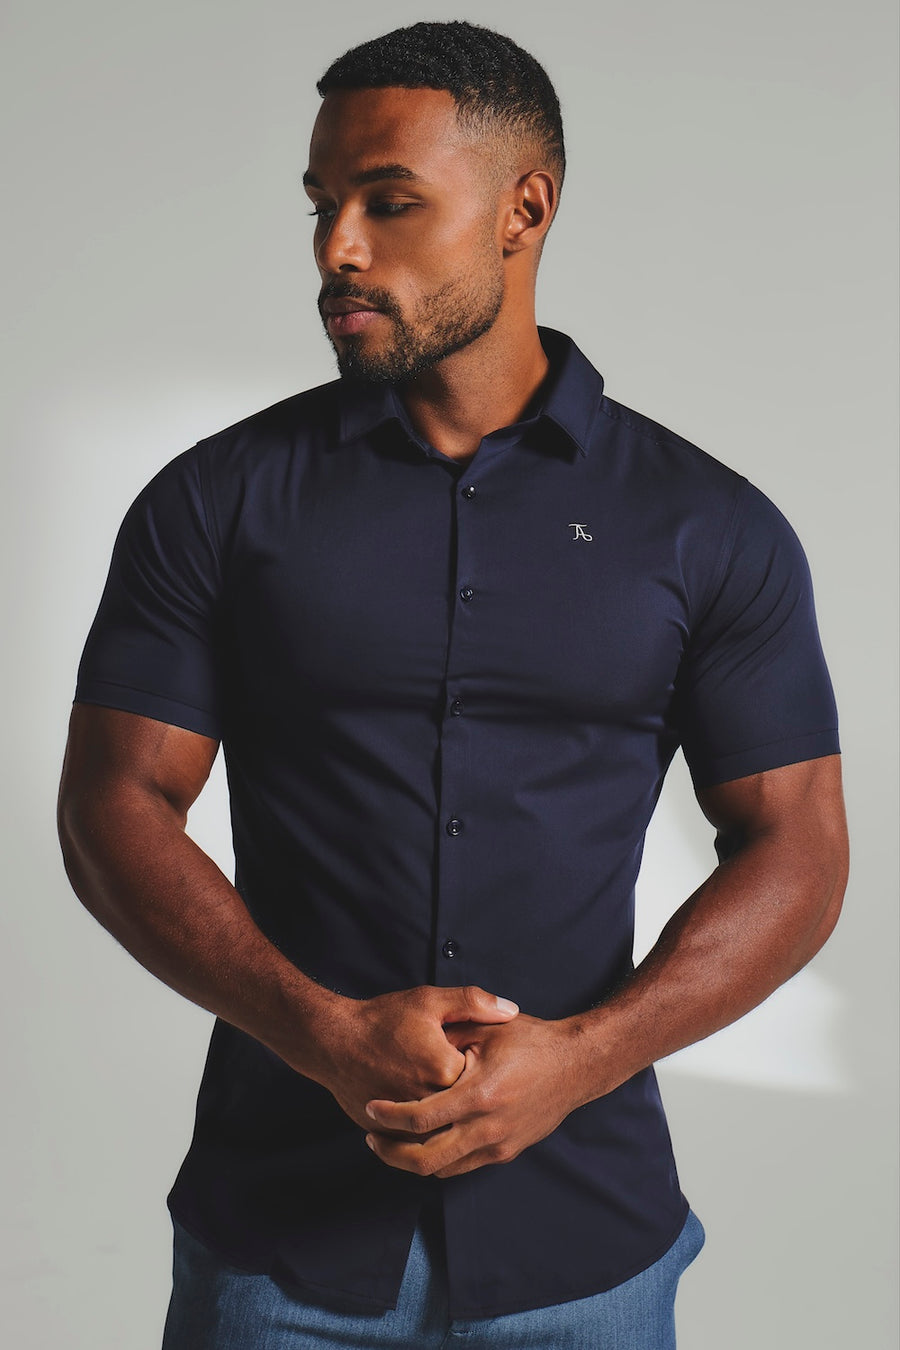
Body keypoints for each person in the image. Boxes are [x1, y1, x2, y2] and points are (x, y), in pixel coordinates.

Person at [57, 19, 849, 1350]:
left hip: (586, 1253)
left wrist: (583, 1060)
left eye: (388, 201)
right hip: (278, 1249)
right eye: (321, 204)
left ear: (524, 209)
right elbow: (113, 805)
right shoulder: (214, 502)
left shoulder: (707, 525)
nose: (336, 248)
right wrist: (318, 1031)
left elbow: (800, 850)